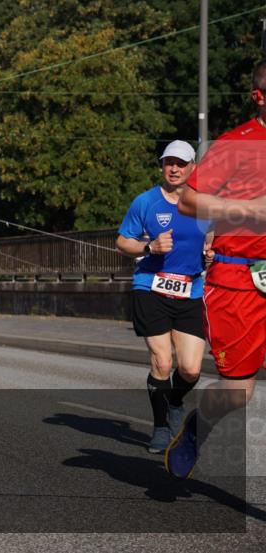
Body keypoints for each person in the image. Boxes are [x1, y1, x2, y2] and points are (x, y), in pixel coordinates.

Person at [169, 60, 266, 479]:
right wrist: (248, 211)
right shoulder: (236, 144)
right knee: (238, 393)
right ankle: (197, 427)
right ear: (259, 96)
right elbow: (189, 202)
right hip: (237, 281)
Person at [115, 140, 210, 454]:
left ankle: (175, 401)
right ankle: (159, 428)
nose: (174, 169)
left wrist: (210, 254)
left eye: (181, 164)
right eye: (169, 162)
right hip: (150, 288)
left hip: (190, 290)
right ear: (162, 166)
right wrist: (148, 248)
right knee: (162, 361)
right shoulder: (145, 202)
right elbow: (122, 241)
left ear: (192, 168)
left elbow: (215, 238)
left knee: (191, 369)